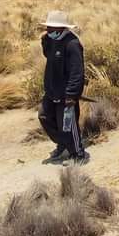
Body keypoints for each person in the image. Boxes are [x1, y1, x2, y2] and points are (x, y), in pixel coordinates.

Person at [38, 11, 88, 164]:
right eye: (47, 28)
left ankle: (77, 153)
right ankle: (63, 145)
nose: (48, 31)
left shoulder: (72, 44)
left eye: (50, 28)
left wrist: (71, 95)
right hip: (52, 91)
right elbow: (49, 55)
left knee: (68, 125)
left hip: (66, 94)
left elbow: (77, 72)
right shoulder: (52, 40)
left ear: (60, 28)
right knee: (44, 116)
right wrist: (45, 41)